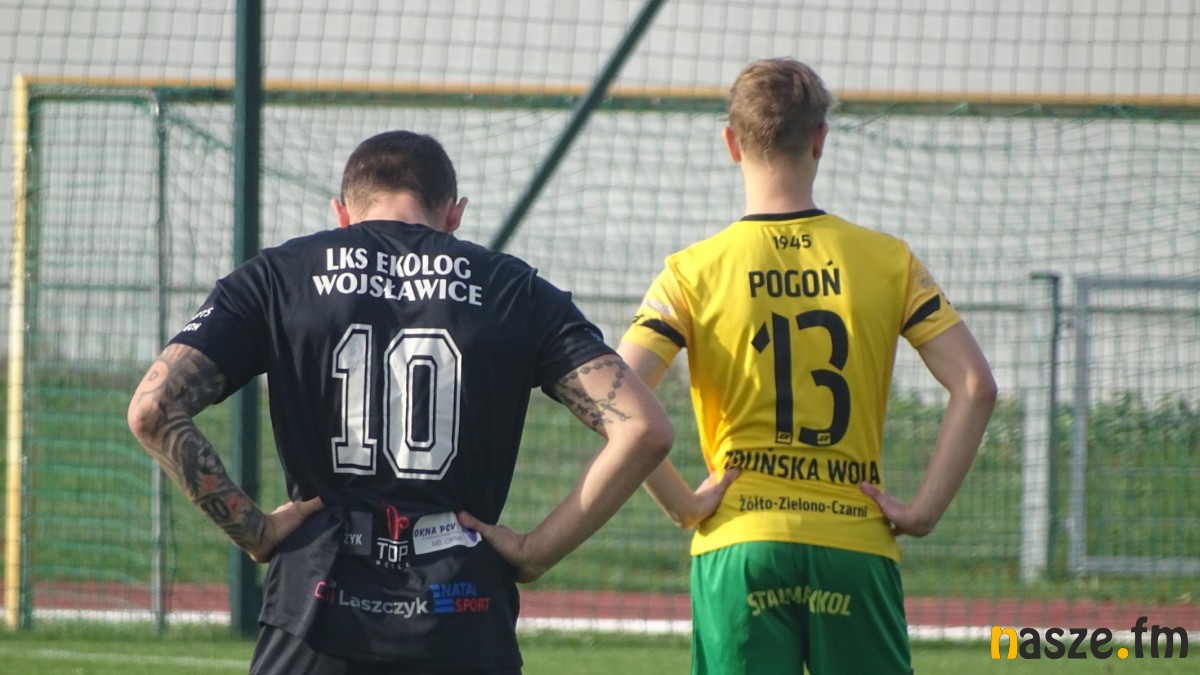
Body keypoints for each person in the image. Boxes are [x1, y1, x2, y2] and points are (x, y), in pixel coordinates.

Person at [127, 130, 673, 674]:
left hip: (316, 611)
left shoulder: (279, 277)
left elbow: (152, 410)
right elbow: (644, 430)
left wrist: (256, 529)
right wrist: (534, 552)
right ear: (454, 214)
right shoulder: (515, 291)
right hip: (462, 613)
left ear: (342, 214)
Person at [616, 58, 998, 675]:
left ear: (731, 143)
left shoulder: (691, 272)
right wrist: (924, 511)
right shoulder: (889, 261)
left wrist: (682, 504)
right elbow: (976, 387)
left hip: (742, 543)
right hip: (854, 542)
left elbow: (613, 395)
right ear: (820, 139)